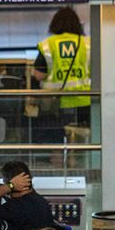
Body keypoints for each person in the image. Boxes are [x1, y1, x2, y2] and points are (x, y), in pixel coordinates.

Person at [33, 8, 92, 143]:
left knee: (56, 139)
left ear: (54, 24)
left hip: (56, 103)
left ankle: (59, 160)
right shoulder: (87, 43)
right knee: (84, 137)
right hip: (85, 101)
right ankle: (82, 161)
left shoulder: (48, 44)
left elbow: (39, 75)